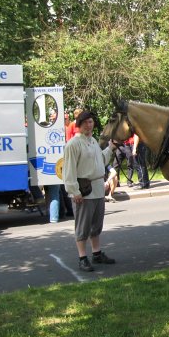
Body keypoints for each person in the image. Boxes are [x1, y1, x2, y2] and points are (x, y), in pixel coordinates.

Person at [63, 111, 116, 272]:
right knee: (83, 226)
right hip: (84, 190)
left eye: (91, 122)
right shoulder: (73, 144)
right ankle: (82, 257)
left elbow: (101, 160)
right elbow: (69, 170)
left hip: (98, 188)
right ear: (79, 124)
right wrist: (74, 191)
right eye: (85, 122)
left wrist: (111, 148)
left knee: (96, 225)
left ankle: (96, 253)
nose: (89, 125)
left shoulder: (92, 141)